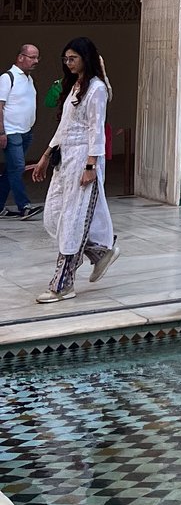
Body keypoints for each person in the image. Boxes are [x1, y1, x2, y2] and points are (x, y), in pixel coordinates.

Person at [26, 37, 119, 305]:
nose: (68, 64)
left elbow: (96, 129)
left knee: (72, 221)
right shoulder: (75, 86)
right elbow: (64, 127)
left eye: (73, 59)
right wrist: (45, 156)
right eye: (65, 59)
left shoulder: (97, 89)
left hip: (83, 160)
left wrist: (91, 166)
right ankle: (100, 252)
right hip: (65, 159)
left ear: (85, 58)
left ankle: (63, 284)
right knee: (54, 218)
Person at [0, 43, 43, 220]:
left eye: (37, 57)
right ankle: (24, 206)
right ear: (20, 57)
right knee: (17, 168)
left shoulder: (28, 78)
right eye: (32, 57)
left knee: (12, 170)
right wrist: (1, 132)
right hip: (11, 132)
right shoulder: (7, 77)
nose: (36, 61)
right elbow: (0, 106)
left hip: (26, 131)